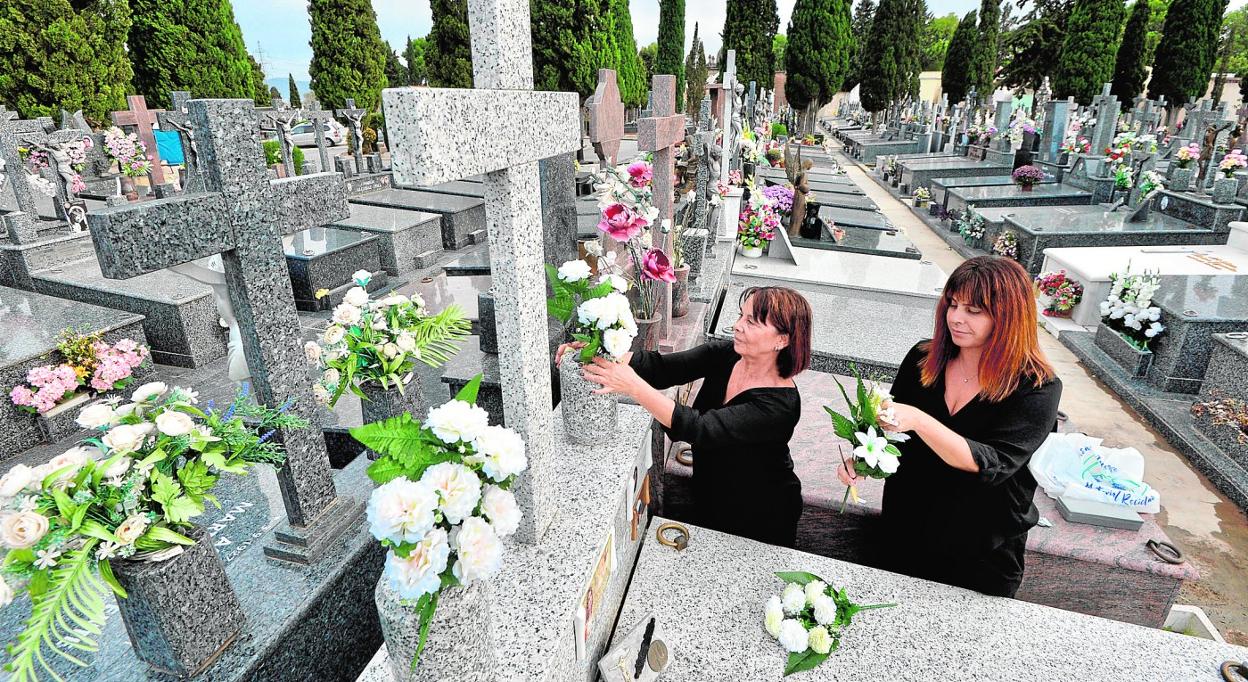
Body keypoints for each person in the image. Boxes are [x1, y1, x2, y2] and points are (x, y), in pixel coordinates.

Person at [839, 256, 1062, 597]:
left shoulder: (1037, 386)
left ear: (1008, 316)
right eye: (953, 304)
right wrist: (863, 460)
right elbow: (894, 436)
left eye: (974, 310)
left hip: (980, 553)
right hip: (905, 532)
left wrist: (919, 419)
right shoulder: (922, 360)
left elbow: (993, 463)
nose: (956, 317)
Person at [558, 286, 813, 547]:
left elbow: (700, 429)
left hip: (761, 515)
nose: (737, 326)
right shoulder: (727, 355)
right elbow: (661, 369)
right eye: (740, 316)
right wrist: (599, 351)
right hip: (712, 493)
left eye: (751, 321)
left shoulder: (778, 407)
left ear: (782, 340)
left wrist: (632, 385)